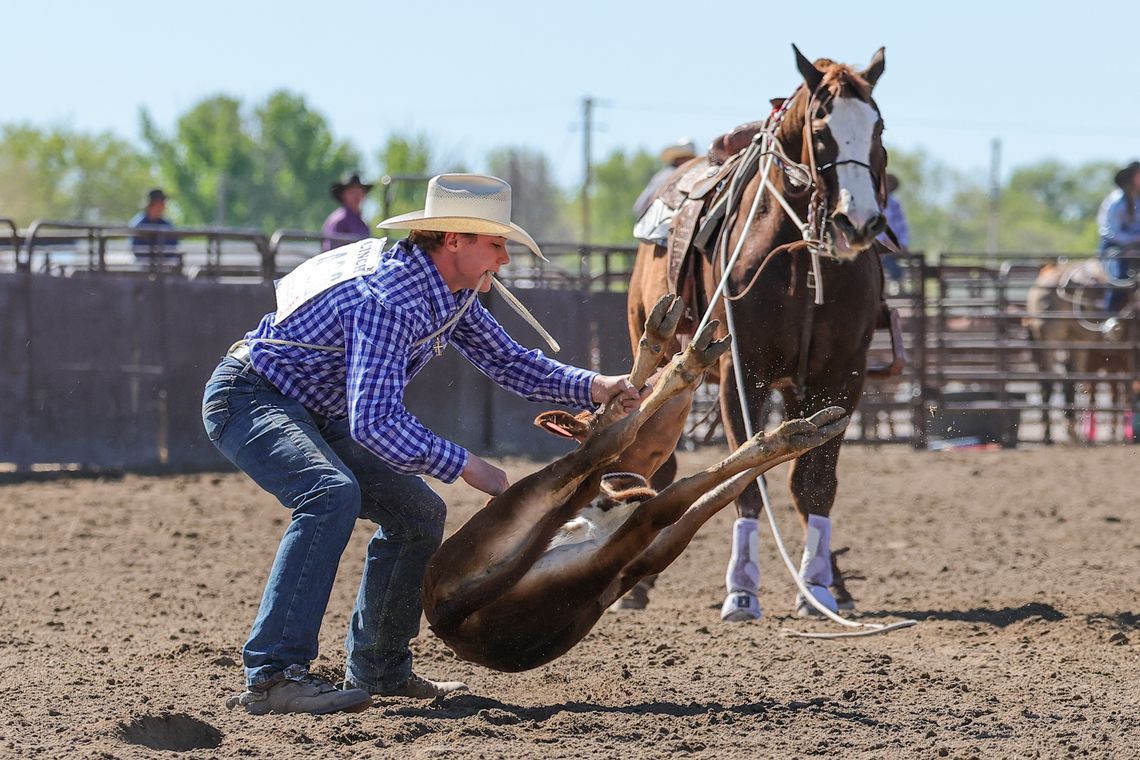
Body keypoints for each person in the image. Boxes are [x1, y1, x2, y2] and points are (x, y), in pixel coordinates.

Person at [203, 173, 640, 716]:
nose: (503, 258)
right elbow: (375, 422)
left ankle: (381, 668)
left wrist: (596, 387)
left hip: (316, 408)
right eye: (495, 243)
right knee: (329, 494)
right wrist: (468, 466)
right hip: (251, 396)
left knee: (416, 513)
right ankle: (272, 676)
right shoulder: (389, 300)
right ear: (452, 240)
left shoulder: (446, 294)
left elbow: (508, 361)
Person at [1097, 161, 1140, 314]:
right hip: (1114, 247)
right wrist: (1134, 239)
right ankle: (1110, 316)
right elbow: (1110, 232)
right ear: (1131, 178)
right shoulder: (1116, 201)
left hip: (1136, 248)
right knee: (1120, 277)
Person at [632, 138, 697, 221]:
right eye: (687, 158)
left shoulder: (663, 174)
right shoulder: (670, 176)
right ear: (678, 158)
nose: (690, 162)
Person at [321, 172, 373, 252]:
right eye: (352, 192)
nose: (356, 196)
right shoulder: (338, 220)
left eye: (359, 191)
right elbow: (331, 251)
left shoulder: (363, 223)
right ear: (343, 195)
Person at [129, 188, 179, 266]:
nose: (163, 206)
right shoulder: (138, 223)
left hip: (164, 264)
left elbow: (173, 246)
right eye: (160, 203)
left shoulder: (166, 224)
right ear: (151, 204)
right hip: (143, 265)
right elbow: (137, 250)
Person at [877, 173, 909, 290]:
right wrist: (884, 241)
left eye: (889, 183)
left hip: (893, 244)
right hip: (878, 243)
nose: (887, 186)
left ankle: (895, 283)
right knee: (883, 257)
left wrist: (902, 243)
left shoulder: (894, 203)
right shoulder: (873, 201)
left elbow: (902, 226)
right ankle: (895, 281)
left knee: (889, 258)